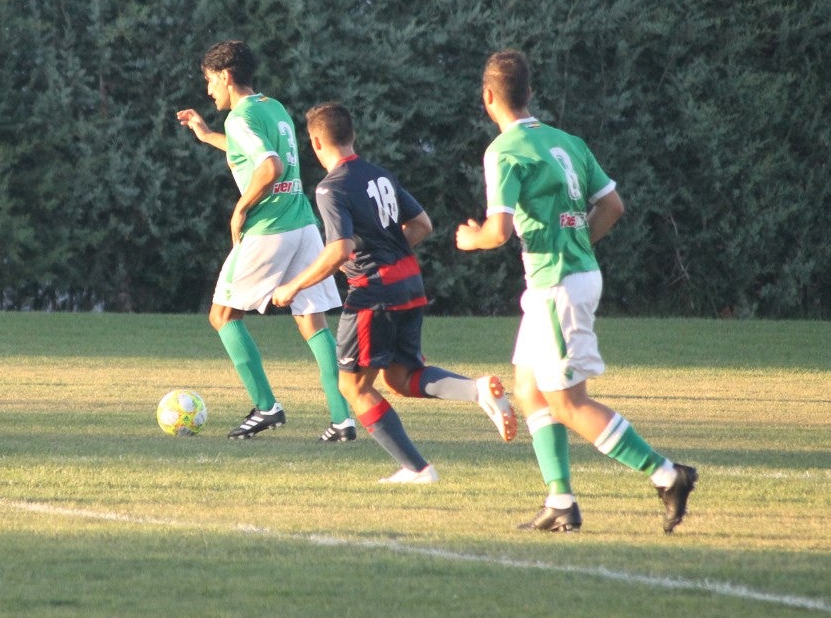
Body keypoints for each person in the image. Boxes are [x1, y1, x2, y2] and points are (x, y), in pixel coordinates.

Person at [455, 48, 697, 532]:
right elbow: (613, 207)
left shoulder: (504, 151)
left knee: (567, 402)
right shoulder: (568, 141)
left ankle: (668, 474)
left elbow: (498, 230)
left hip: (556, 285)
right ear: (529, 93)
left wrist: (472, 239)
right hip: (566, 277)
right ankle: (561, 501)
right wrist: (577, 239)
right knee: (528, 389)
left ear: (487, 97)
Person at [272, 102, 516, 484]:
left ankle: (417, 469)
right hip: (409, 283)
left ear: (316, 142)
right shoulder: (380, 175)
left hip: (374, 291)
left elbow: (340, 250)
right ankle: (478, 389)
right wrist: (388, 251)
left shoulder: (330, 187)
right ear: (352, 135)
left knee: (352, 386)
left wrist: (293, 285)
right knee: (401, 379)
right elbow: (422, 225)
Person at [176, 40, 353, 440]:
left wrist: (241, 208)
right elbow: (260, 152)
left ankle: (267, 406)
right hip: (303, 223)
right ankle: (343, 420)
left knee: (222, 316)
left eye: (209, 81)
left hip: (269, 228)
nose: (208, 91)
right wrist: (206, 135)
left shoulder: (241, 117)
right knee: (313, 325)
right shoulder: (272, 107)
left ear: (225, 75)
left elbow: (269, 165)